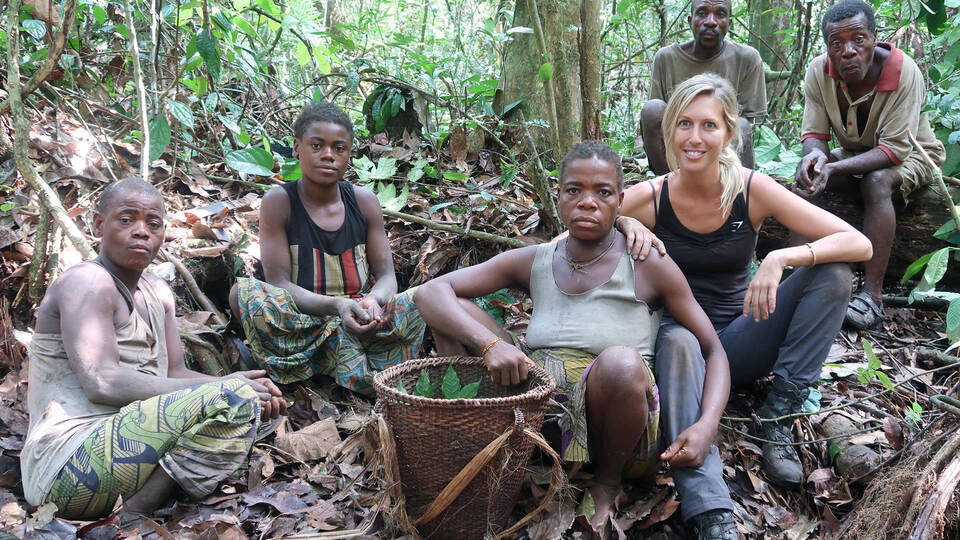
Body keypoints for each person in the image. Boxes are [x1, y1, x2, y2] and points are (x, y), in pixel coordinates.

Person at [414, 141, 738, 539]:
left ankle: (605, 485)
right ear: (559, 196)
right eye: (574, 190)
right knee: (452, 312)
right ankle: (471, 440)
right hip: (537, 413)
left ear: (620, 201)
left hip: (619, 432)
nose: (588, 202)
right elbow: (430, 293)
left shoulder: (647, 263)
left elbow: (713, 349)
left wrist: (707, 426)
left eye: (602, 193)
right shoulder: (538, 258)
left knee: (620, 363)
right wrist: (490, 343)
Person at [618, 74, 873, 492]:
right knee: (681, 342)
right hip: (676, 348)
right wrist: (624, 221)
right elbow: (572, 235)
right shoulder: (651, 195)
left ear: (729, 133)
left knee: (834, 273)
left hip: (740, 343)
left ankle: (778, 418)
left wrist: (784, 256)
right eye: (683, 124)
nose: (694, 138)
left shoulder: (751, 189)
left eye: (708, 125)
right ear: (668, 131)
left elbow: (858, 243)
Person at [20, 178, 285, 520]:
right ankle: (132, 516)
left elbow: (175, 374)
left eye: (153, 223)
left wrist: (245, 388)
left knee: (248, 406)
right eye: (127, 219)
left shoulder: (156, 290)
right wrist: (224, 387)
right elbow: (102, 383)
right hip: (66, 467)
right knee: (231, 397)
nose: (141, 231)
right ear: (99, 224)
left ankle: (145, 504)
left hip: (125, 453)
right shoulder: (87, 282)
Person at [229, 102, 425, 394]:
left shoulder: (364, 201)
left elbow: (386, 277)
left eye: (339, 148)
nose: (328, 155)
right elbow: (279, 284)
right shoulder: (279, 201)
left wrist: (372, 302)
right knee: (243, 293)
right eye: (317, 145)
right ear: (297, 147)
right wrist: (336, 306)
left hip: (362, 318)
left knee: (424, 299)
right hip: (306, 321)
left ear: (349, 154)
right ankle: (347, 367)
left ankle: (324, 366)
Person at [795, 0, 946, 330]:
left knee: (876, 182)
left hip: (913, 155)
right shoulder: (818, 73)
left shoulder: (904, 72)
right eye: (837, 43)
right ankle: (795, 281)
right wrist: (815, 157)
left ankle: (871, 299)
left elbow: (893, 151)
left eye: (858, 39)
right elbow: (815, 134)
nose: (848, 50)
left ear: (875, 39)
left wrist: (833, 168)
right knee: (806, 178)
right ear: (828, 49)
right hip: (854, 152)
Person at [640, 0, 766, 175]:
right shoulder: (666, 58)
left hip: (721, 148)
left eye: (720, 14)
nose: (710, 21)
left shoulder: (747, 58)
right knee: (651, 109)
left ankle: (740, 193)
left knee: (742, 125)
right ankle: (668, 187)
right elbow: (656, 120)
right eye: (702, 13)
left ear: (729, 22)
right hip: (677, 148)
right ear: (690, 20)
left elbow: (743, 125)